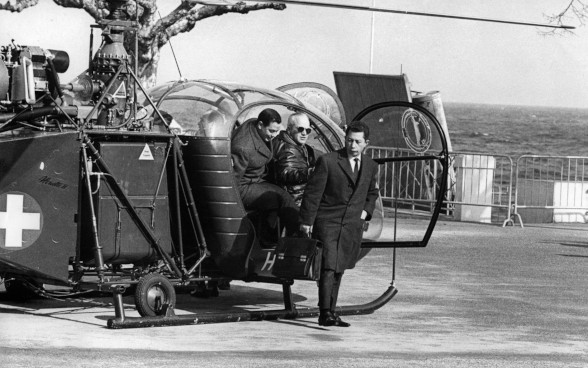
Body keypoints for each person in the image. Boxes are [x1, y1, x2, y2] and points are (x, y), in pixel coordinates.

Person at [299, 121, 379, 327]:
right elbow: (313, 193)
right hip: (328, 222)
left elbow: (372, 192)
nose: (352, 145)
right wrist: (307, 221)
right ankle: (325, 313)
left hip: (352, 224)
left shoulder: (370, 166)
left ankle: (331, 312)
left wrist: (364, 213)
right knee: (328, 266)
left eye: (357, 142)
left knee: (339, 267)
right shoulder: (329, 161)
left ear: (366, 144)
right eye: (349, 140)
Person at [231, 108, 299, 237]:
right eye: (271, 131)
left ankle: (270, 233)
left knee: (282, 190)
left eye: (276, 131)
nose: (274, 135)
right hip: (243, 186)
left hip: (256, 179)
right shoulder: (243, 147)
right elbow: (233, 182)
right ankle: (298, 236)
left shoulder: (255, 127)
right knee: (282, 197)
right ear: (260, 125)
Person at [271, 112, 317, 206]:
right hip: (296, 200)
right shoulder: (288, 149)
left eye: (308, 130)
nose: (304, 133)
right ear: (289, 129)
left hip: (296, 195)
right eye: (300, 129)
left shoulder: (291, 143)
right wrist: (311, 172)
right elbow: (286, 173)